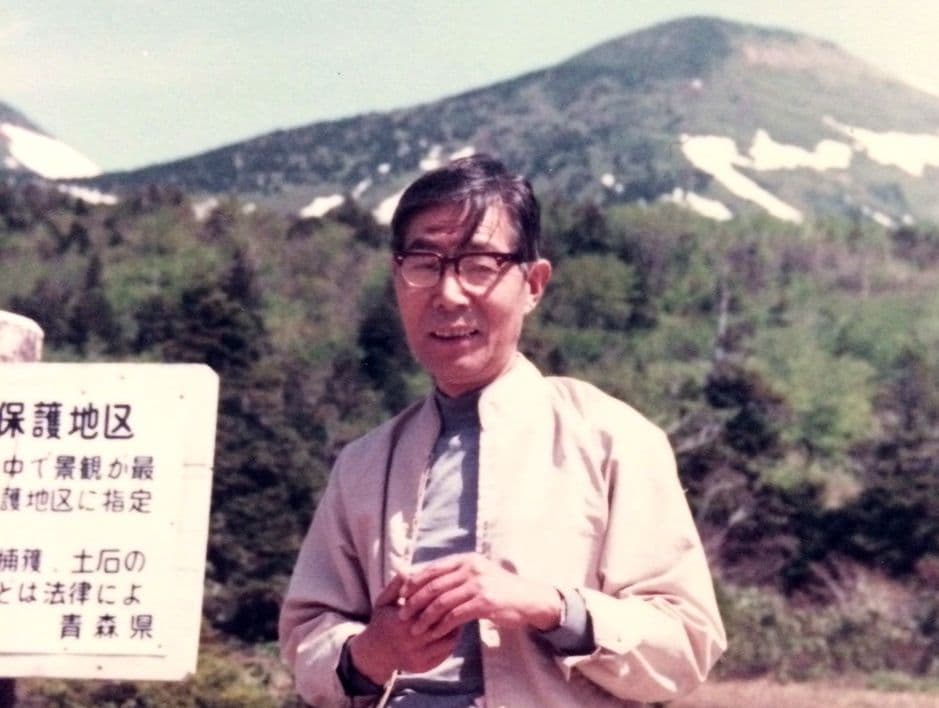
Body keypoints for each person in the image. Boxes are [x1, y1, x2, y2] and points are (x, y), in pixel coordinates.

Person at [279, 154, 726, 707]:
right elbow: (306, 637)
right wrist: (375, 649)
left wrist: (549, 607)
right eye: (424, 263)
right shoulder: (364, 464)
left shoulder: (611, 439)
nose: (448, 294)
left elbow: (685, 644)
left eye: (478, 265)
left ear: (533, 284)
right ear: (399, 280)